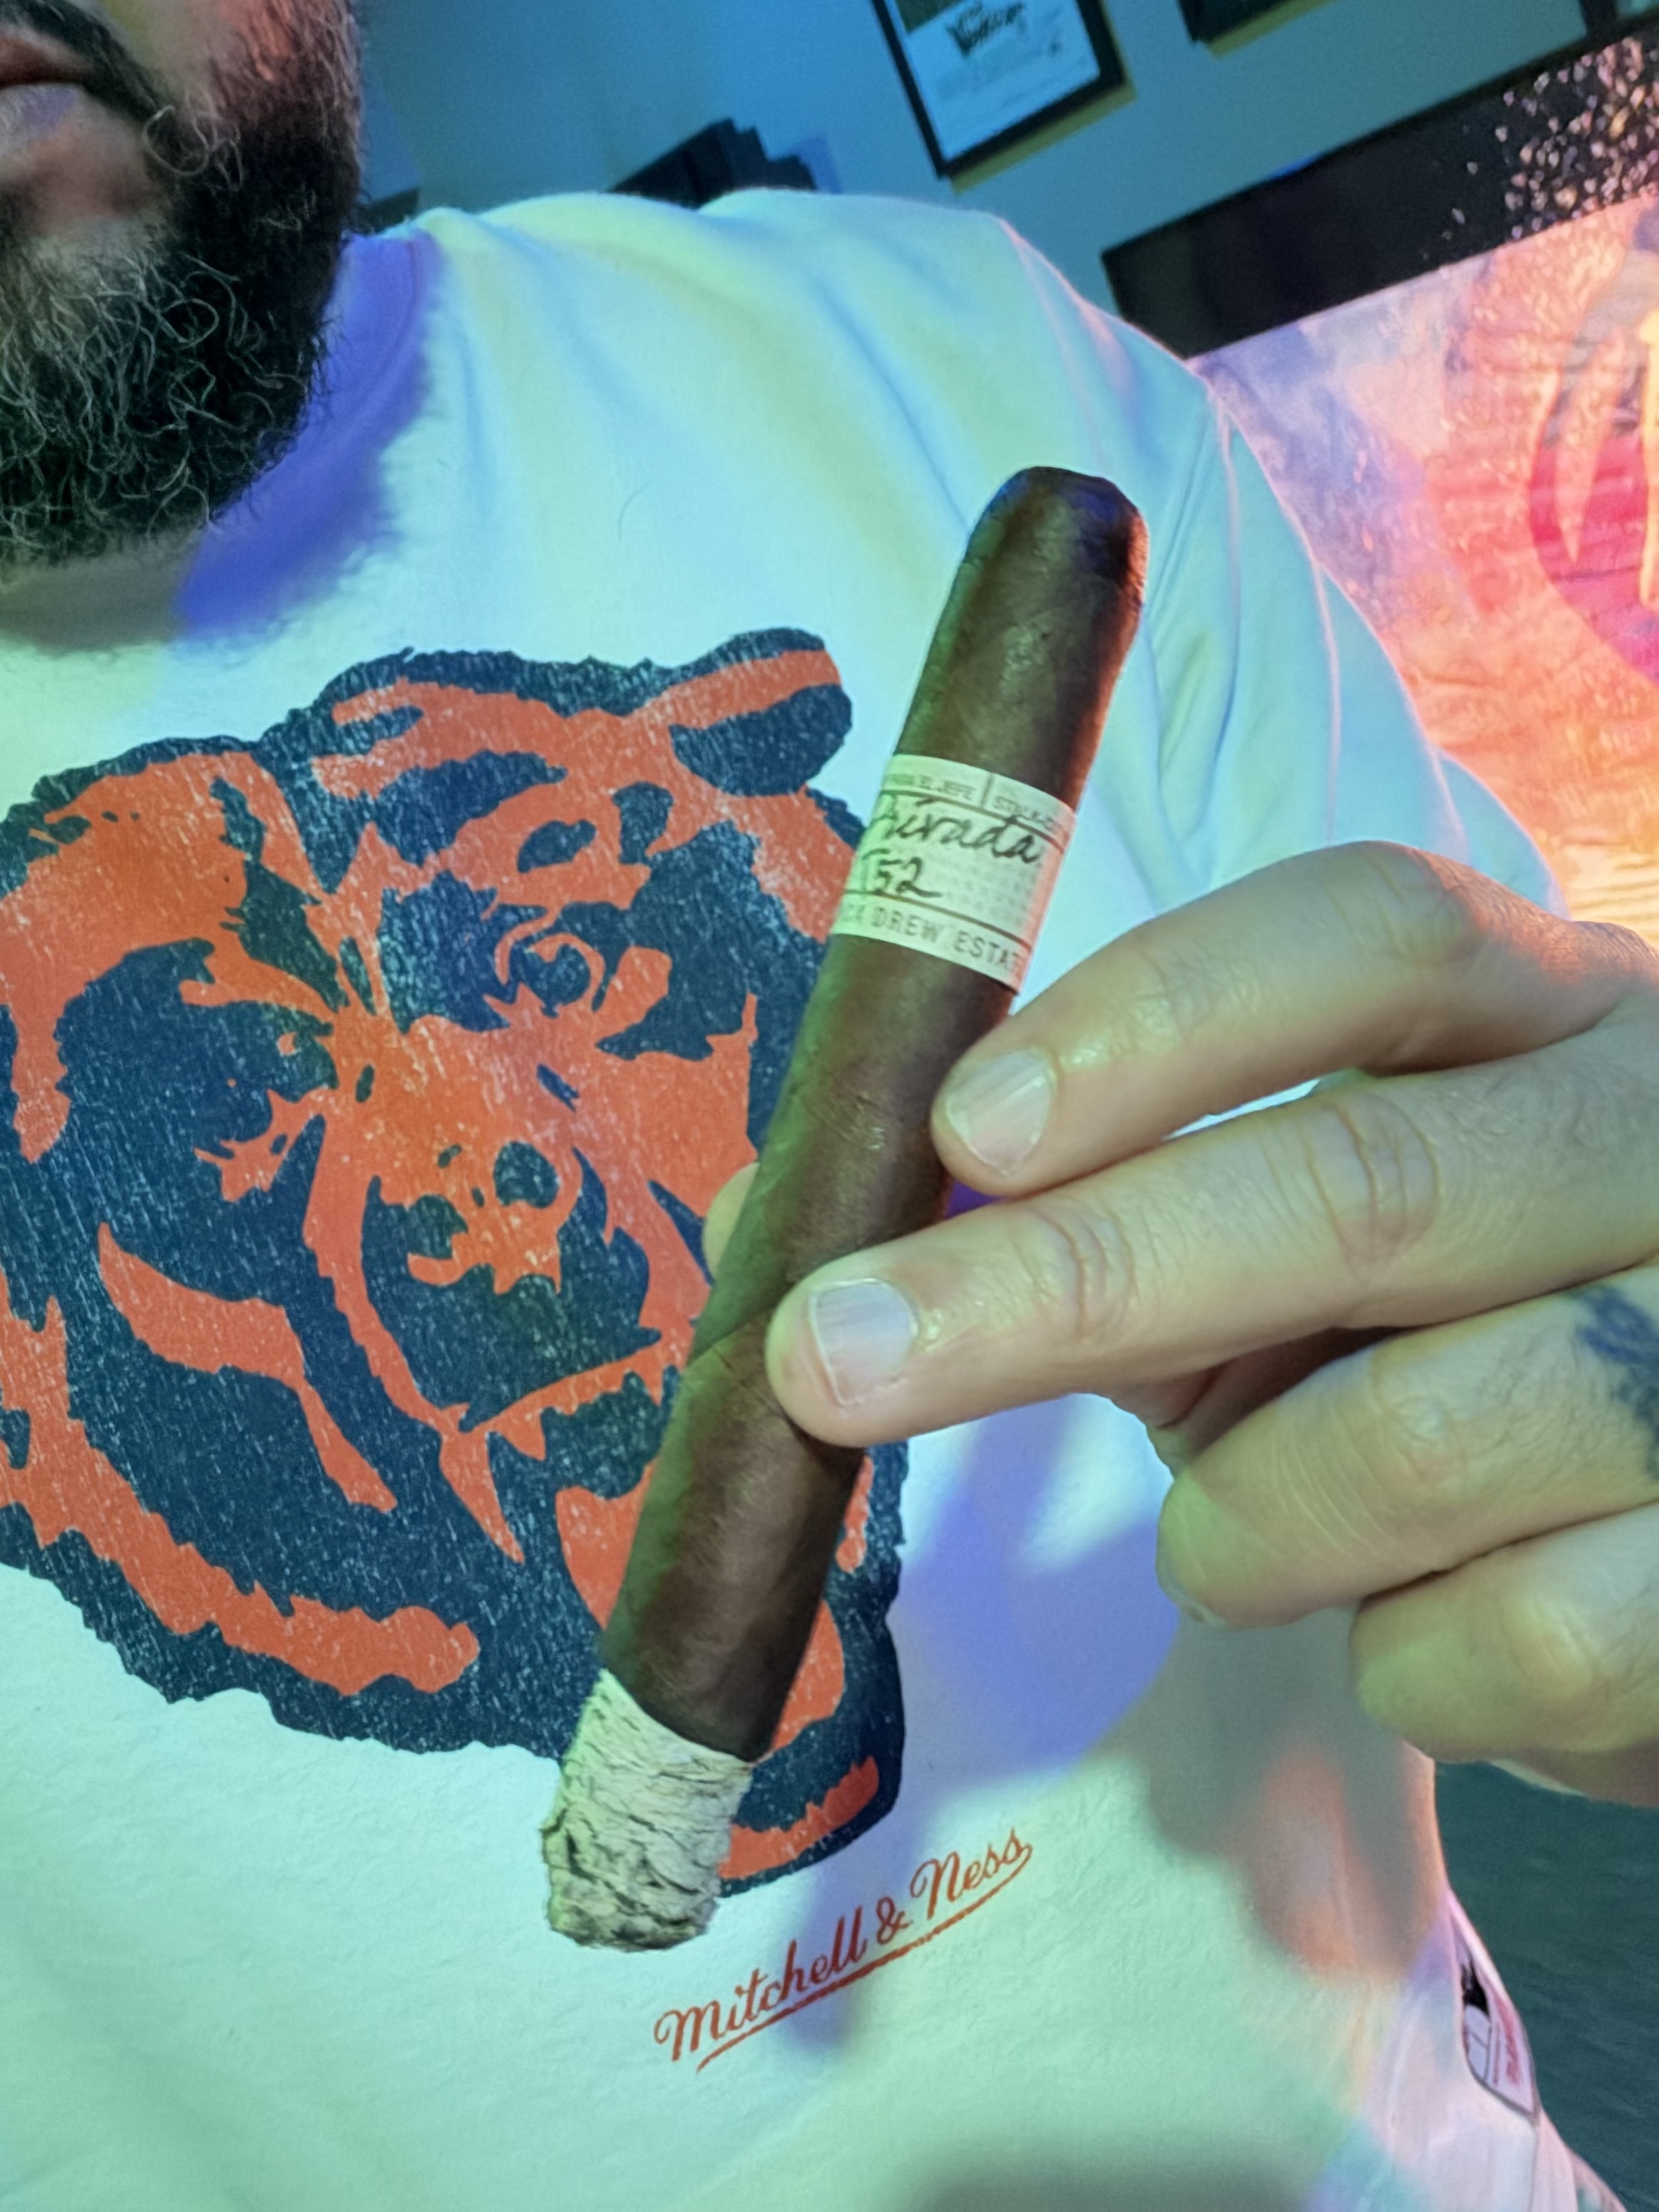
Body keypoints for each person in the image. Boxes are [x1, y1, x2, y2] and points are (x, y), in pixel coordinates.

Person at [0, 4, 1646, 2208]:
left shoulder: (955, 355)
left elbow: (1558, 1323)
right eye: (216, 1111)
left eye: (574, 968)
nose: (491, 1176)